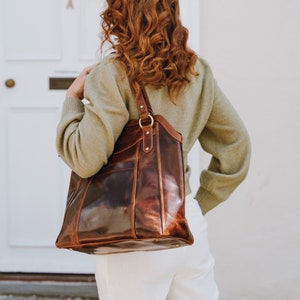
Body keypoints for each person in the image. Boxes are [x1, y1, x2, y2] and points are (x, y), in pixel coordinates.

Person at [56, 0, 251, 299]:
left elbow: (85, 159)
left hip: (132, 235)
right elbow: (235, 145)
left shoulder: (112, 72)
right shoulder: (197, 71)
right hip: (186, 223)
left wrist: (72, 98)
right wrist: (196, 203)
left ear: (119, 15)